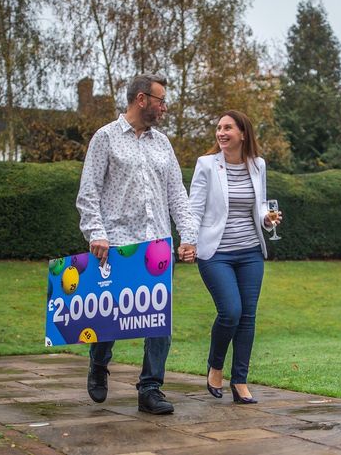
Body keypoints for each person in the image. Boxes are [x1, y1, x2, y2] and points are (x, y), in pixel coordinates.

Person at [76, 73, 197, 415]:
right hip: (116, 245)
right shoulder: (106, 138)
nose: (164, 107)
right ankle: (99, 364)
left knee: (160, 322)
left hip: (157, 248)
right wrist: (95, 232)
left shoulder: (163, 144)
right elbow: (89, 193)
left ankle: (150, 388)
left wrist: (187, 237)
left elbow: (177, 195)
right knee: (108, 319)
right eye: (161, 100)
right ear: (141, 99)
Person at [188, 110, 283, 404]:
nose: (221, 132)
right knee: (230, 312)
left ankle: (239, 380)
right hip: (215, 253)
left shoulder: (258, 165)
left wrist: (268, 220)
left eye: (228, 127)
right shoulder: (206, 165)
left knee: (248, 317)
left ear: (243, 133)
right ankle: (215, 367)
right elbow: (194, 207)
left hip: (251, 252)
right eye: (218, 128)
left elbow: (260, 206)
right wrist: (188, 241)